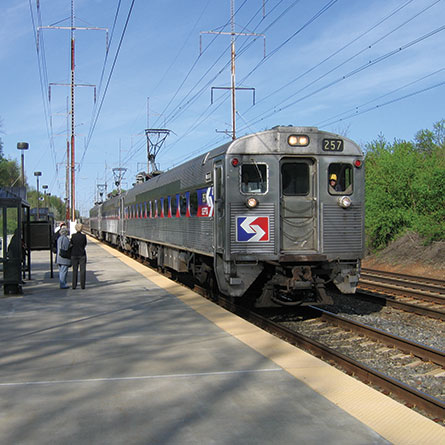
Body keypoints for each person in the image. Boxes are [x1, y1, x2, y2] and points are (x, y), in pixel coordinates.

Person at [70, 223, 87, 289]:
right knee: (82, 270)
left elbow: (71, 244)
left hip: (74, 254)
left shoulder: (73, 236)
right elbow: (85, 244)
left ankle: (74, 285)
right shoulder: (84, 236)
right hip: (82, 254)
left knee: (75, 270)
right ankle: (83, 285)